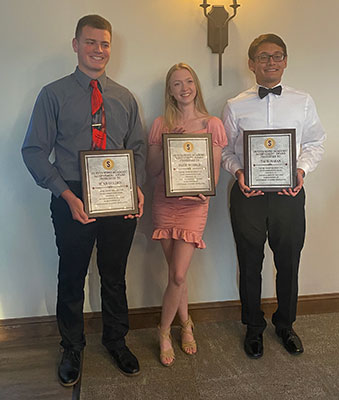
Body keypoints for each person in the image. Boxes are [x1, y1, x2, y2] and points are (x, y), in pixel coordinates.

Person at [22, 15, 146, 385]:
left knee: (114, 275)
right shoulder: (53, 94)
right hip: (72, 194)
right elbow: (33, 151)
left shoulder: (125, 97)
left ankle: (116, 340)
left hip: (118, 197)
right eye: (91, 42)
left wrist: (136, 187)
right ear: (76, 45)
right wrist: (66, 194)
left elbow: (137, 149)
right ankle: (72, 346)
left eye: (105, 43)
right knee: (72, 275)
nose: (98, 50)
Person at [222, 34, 325, 359]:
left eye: (278, 56)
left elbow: (315, 143)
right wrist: (239, 172)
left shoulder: (303, 101)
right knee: (250, 263)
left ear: (285, 61)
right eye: (264, 57)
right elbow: (224, 149)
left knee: (289, 262)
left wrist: (302, 171)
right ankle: (253, 327)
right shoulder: (235, 105)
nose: (271, 62)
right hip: (247, 195)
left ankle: (285, 324)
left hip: (289, 194)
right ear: (251, 64)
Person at [147, 63, 227, 366]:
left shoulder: (212, 124)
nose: (184, 88)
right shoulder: (160, 124)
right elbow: (152, 171)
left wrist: (202, 186)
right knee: (175, 276)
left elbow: (214, 177)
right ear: (169, 90)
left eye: (189, 81)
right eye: (177, 83)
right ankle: (187, 324)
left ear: (197, 86)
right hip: (165, 203)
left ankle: (164, 331)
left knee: (178, 274)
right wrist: (171, 147)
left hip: (194, 206)